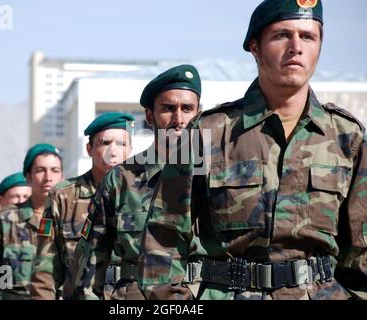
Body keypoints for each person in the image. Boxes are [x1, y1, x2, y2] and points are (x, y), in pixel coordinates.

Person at [138, 0, 367, 300]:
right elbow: (162, 236)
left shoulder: (347, 136)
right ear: (255, 47)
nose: (296, 47)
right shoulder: (207, 132)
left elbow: (361, 252)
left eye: (308, 36)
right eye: (282, 35)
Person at [64, 64, 205, 300]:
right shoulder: (122, 179)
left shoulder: (214, 176)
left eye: (187, 108)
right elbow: (89, 261)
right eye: (168, 108)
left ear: (199, 113)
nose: (179, 119)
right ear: (150, 116)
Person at [30, 113, 134, 300]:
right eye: (105, 143)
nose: (113, 151)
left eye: (121, 144)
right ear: (89, 149)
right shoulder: (62, 196)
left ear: (130, 149)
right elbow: (45, 269)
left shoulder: (145, 194)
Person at [0, 143, 64, 299]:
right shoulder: (6, 220)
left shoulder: (72, 219)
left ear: (62, 176)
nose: (48, 178)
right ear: (28, 176)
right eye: (40, 170)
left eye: (55, 171)